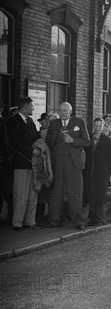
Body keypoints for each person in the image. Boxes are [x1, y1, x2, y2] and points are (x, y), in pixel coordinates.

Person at [45, 102, 90, 229]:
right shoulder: (54, 124)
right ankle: (55, 221)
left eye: (65, 110)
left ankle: (78, 222)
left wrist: (73, 140)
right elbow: (49, 142)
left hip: (74, 163)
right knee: (57, 192)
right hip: (58, 162)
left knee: (75, 193)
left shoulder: (79, 122)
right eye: (60, 110)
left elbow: (87, 141)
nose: (62, 113)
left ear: (70, 111)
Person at [7, 96, 40, 231]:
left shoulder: (31, 121)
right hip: (21, 163)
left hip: (33, 163)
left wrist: (39, 146)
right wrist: (32, 152)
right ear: (25, 107)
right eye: (31, 106)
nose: (33, 108)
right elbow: (15, 143)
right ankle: (18, 223)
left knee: (33, 193)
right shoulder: (13, 122)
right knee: (21, 194)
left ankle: (30, 221)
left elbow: (36, 138)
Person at [83, 117, 111, 226]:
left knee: (100, 196)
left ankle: (100, 219)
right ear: (93, 126)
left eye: (99, 126)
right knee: (91, 195)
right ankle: (92, 219)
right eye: (95, 126)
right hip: (89, 172)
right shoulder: (88, 139)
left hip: (102, 174)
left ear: (102, 127)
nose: (97, 128)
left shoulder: (108, 141)